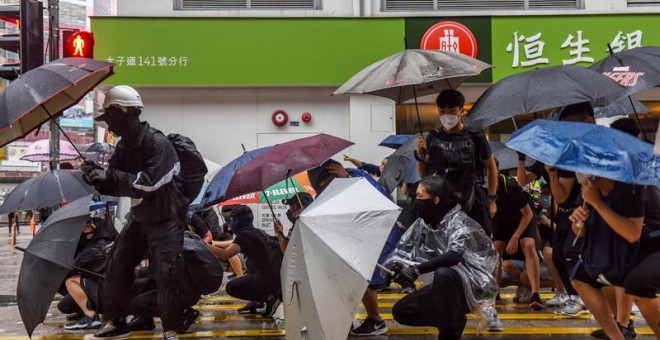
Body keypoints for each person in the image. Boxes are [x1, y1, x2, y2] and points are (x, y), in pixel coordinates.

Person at [80, 85, 190, 340]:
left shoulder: (158, 143)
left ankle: (171, 325)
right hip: (142, 217)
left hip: (166, 217)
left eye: (111, 119)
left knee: (167, 271)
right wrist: (95, 175)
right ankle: (120, 318)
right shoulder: (123, 147)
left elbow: (149, 183)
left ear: (126, 113)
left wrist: (110, 175)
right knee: (117, 263)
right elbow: (116, 183)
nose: (109, 126)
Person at [386, 175, 499, 340]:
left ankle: (449, 330)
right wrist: (398, 268)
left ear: (436, 200)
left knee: (443, 273)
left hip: (473, 284)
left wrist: (416, 270)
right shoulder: (424, 223)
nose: (415, 200)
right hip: (444, 286)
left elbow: (454, 256)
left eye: (420, 196)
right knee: (402, 311)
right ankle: (452, 318)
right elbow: (405, 248)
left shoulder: (459, 222)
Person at [307, 159, 402, 336]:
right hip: (356, 238)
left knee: (364, 278)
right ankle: (345, 318)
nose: (323, 187)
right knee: (347, 277)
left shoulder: (358, 176)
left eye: (325, 182)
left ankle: (376, 320)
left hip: (380, 234)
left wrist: (350, 179)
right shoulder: (326, 191)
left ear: (335, 171)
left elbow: (380, 197)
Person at [516, 102, 594, 316]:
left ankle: (580, 297)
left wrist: (551, 174)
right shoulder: (548, 157)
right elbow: (524, 181)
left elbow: (561, 195)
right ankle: (572, 295)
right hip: (565, 215)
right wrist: (521, 157)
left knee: (570, 254)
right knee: (560, 255)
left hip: (579, 213)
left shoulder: (567, 157)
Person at [569, 174, 645, 340]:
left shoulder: (630, 189)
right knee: (579, 277)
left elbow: (633, 234)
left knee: (622, 277)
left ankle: (623, 326)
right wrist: (578, 221)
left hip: (635, 257)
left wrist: (597, 203)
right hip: (602, 253)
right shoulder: (589, 191)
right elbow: (579, 232)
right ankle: (617, 334)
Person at [416, 89, 498, 236]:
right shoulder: (432, 137)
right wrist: (421, 156)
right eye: (442, 112)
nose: (447, 116)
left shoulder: (475, 136)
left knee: (478, 241)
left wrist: (492, 199)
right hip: (442, 200)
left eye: (452, 111)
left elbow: (492, 168)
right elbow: (424, 175)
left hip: (472, 198)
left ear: (461, 110)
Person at [207, 205, 283, 318]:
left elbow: (225, 254)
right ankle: (259, 301)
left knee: (231, 287)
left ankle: (270, 297)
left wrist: (203, 244)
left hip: (268, 281)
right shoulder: (257, 231)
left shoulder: (243, 235)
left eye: (232, 220)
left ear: (237, 221)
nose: (230, 223)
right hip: (276, 279)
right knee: (250, 264)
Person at [492, 173, 543, 310]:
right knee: (496, 249)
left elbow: (528, 214)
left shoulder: (511, 186)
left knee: (528, 244)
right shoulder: (480, 186)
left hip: (523, 214)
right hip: (501, 216)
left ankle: (535, 293)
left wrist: (515, 237)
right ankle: (494, 291)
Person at [60, 218, 117, 330]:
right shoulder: (108, 243)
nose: (84, 226)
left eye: (89, 224)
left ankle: (90, 316)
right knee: (64, 305)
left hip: (107, 293)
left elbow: (70, 269)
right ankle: (85, 308)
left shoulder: (92, 249)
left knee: (70, 281)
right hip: (111, 290)